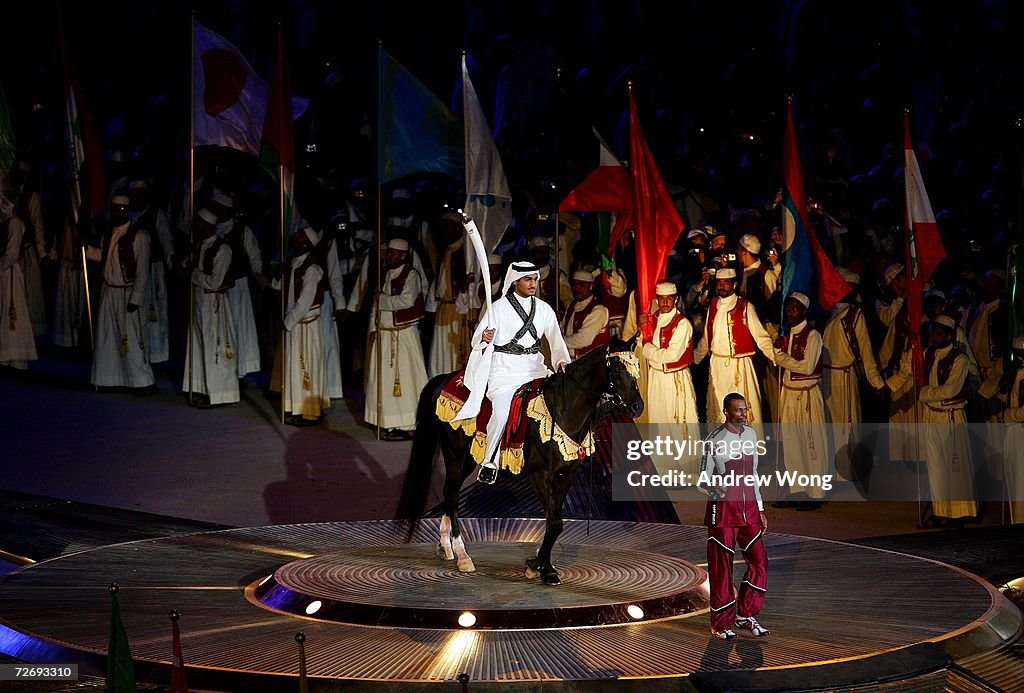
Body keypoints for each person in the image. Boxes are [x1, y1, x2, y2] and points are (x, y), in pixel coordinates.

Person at [455, 262, 571, 483]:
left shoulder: (544, 309)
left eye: (535, 279)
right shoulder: (497, 308)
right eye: (527, 279)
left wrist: (562, 361)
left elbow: (556, 339)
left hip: (535, 368)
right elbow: (476, 339)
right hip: (504, 371)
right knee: (500, 414)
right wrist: (484, 338)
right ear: (515, 281)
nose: (532, 284)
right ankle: (490, 461)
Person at [886, 315, 976, 528]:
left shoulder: (960, 360)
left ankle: (957, 514)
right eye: (932, 334)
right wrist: (887, 386)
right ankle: (941, 512)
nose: (934, 338)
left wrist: (925, 393)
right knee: (935, 467)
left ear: (950, 335)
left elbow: (950, 390)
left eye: (938, 334)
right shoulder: (928, 353)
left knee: (953, 468)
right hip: (930, 416)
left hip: (950, 417)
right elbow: (908, 368)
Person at [698, 393, 769, 640]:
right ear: (726, 412)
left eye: (745, 410)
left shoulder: (751, 434)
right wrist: (715, 488)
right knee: (722, 570)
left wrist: (760, 508)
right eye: (738, 410)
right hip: (723, 513)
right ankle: (721, 623)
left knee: (760, 562)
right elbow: (702, 479)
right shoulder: (714, 440)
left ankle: (745, 615)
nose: (743, 414)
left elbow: (754, 474)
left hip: (749, 510)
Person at [87, 194, 155, 392]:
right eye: (115, 209)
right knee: (108, 339)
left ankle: (142, 382)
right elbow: (104, 256)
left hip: (128, 293)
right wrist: (87, 250)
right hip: (109, 292)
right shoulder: (108, 233)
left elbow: (142, 271)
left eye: (122, 209)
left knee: (132, 340)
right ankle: (110, 379)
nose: (118, 213)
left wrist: (136, 298)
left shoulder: (139, 236)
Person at [364, 238, 429, 440]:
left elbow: (407, 300)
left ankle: (408, 424)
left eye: (392, 253)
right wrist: (372, 329)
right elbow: (375, 307)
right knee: (382, 381)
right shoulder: (383, 273)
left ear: (403, 255)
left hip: (403, 336)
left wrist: (382, 300)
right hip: (384, 333)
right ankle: (387, 421)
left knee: (407, 382)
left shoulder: (411, 275)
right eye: (387, 252)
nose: (388, 255)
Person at [694, 267, 776, 425]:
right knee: (719, 409)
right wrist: (694, 358)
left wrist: (776, 357)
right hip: (717, 366)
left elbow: (761, 337)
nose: (722, 286)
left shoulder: (745, 307)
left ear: (734, 284)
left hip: (739, 367)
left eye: (726, 282)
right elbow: (706, 339)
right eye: (719, 282)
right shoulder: (713, 305)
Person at [773, 292, 830, 509]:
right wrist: (779, 350)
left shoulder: (813, 336)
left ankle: (815, 492)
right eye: (788, 308)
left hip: (807, 394)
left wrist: (781, 357)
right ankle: (798, 490)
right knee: (792, 445)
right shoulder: (787, 335)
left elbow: (806, 367)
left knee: (811, 443)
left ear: (804, 312)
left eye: (794, 309)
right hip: (789, 393)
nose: (790, 313)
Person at [182, 208, 238, 407]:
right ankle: (203, 388)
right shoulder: (198, 246)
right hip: (198, 303)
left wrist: (194, 273)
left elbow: (215, 282)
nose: (195, 227)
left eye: (198, 224)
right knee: (199, 346)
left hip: (214, 305)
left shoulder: (222, 249)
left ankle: (219, 393)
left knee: (215, 349)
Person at [279, 227, 330, 425]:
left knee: (307, 368)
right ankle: (298, 409)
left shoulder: (312, 269)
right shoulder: (293, 265)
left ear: (307, 243)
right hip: (295, 324)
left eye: (300, 237)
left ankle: (311, 412)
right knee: (296, 368)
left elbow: (304, 301)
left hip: (306, 325)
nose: (294, 239)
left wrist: (288, 322)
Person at [638, 281, 698, 426]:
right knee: (658, 421)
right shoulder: (654, 318)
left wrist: (646, 347)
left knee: (676, 423)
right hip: (655, 377)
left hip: (674, 379)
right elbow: (640, 342)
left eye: (669, 298)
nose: (665, 302)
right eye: (661, 298)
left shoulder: (682, 324)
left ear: (676, 299)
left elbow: (671, 356)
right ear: (656, 299)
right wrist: (641, 328)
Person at [0, 194, 37, 369]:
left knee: (12, 313)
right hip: (5, 274)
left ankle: (16, 356)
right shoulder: (4, 223)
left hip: (10, 274)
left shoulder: (14, 223)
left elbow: (11, 253)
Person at [560, 270, 610, 358]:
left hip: (592, 363)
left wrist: (558, 342)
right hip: (571, 361)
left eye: (582, 284)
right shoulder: (572, 306)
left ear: (591, 286)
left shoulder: (598, 310)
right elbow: (563, 328)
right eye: (574, 284)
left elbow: (584, 339)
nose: (576, 288)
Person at [1001, 337, 1024, 523]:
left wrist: (1008, 415)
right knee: (1014, 481)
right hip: (1013, 432)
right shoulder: (1015, 373)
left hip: (1020, 431)